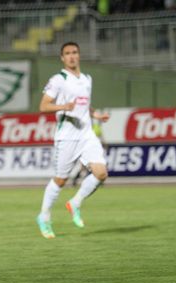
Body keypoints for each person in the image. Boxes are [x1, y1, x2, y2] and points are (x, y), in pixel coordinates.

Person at [36, 42, 110, 239]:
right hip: (67, 138)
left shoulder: (86, 79)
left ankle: (75, 203)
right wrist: (64, 107)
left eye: (74, 52)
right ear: (62, 58)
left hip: (86, 135)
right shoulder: (58, 80)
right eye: (67, 53)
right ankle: (44, 216)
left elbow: (85, 104)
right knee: (60, 180)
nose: (71, 56)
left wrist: (96, 115)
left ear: (79, 55)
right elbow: (43, 106)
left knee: (101, 173)